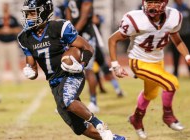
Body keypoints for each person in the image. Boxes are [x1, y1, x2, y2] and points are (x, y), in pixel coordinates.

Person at [17, 0, 125, 140]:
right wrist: (29, 72)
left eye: (32, 13)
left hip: (71, 73)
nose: (29, 17)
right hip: (54, 82)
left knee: (68, 100)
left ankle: (99, 124)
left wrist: (82, 64)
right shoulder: (24, 37)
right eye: (27, 14)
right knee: (81, 128)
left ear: (44, 11)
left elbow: (87, 48)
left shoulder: (59, 27)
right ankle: (119, 139)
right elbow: (33, 68)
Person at [108, 0, 190, 139]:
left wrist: (187, 56)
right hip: (138, 62)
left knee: (150, 94)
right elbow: (112, 40)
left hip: (157, 61)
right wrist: (115, 65)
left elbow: (178, 40)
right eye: (149, 1)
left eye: (156, 2)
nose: (152, 5)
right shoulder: (135, 18)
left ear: (164, 3)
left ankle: (136, 119)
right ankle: (168, 116)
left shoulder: (174, 16)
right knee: (171, 83)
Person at [65, 0, 100, 113]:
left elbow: (84, 17)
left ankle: (93, 102)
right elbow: (68, 15)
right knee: (68, 67)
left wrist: (71, 34)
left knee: (88, 69)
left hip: (86, 36)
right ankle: (68, 100)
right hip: (76, 36)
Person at [92, 14, 124, 97]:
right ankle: (101, 89)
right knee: (94, 73)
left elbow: (98, 19)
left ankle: (118, 90)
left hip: (97, 50)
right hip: (89, 51)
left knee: (106, 71)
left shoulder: (93, 24)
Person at [0, 2, 21, 84]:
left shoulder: (13, 18)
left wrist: (10, 30)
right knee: (0, 63)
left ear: (8, 8)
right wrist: (2, 31)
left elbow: (18, 29)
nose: (5, 8)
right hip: (0, 43)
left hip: (11, 42)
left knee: (14, 62)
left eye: (6, 7)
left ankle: (17, 80)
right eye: (4, 7)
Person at [171, 0, 190, 77]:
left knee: (188, 53)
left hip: (187, 35)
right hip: (176, 35)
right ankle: (175, 72)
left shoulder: (186, 8)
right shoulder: (172, 10)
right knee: (175, 55)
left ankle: (189, 70)